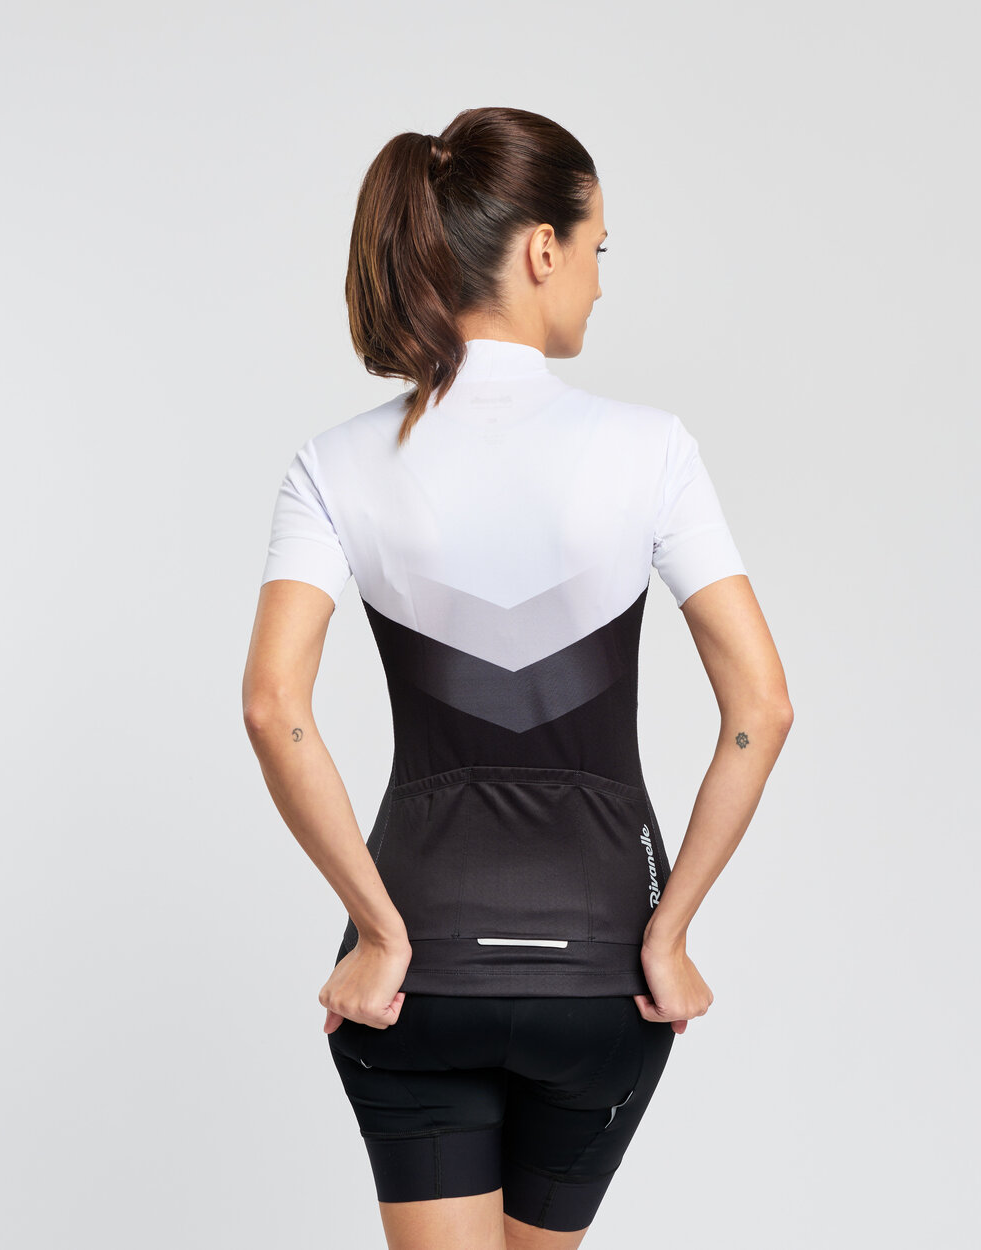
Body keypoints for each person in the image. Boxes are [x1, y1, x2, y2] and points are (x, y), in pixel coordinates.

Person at [242, 105, 793, 1250]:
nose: (598, 279)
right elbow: (762, 708)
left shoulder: (335, 464)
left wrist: (376, 931)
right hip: (601, 974)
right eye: (597, 247)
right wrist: (668, 934)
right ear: (543, 247)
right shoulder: (653, 450)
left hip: (416, 976)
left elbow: (272, 706)